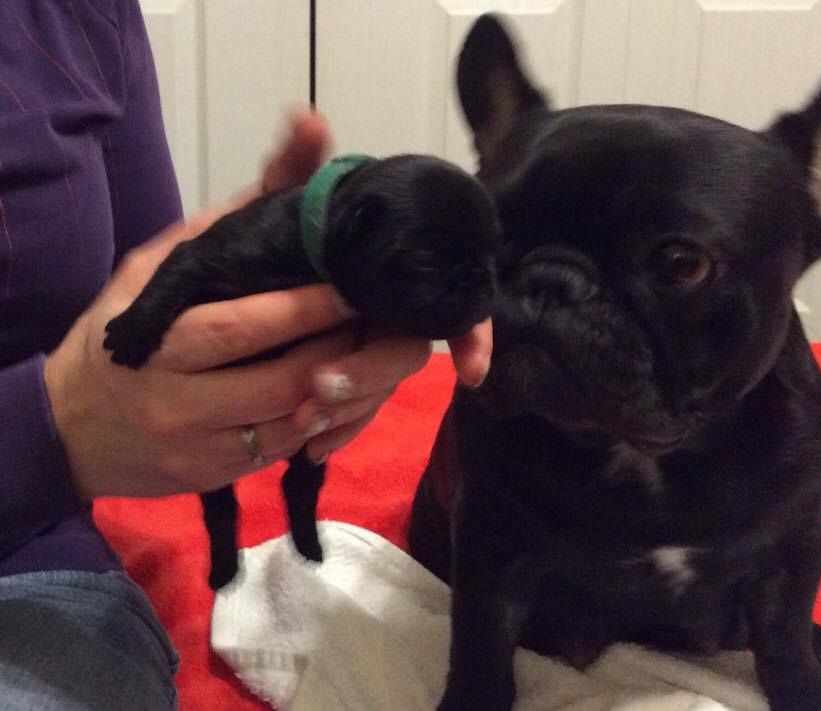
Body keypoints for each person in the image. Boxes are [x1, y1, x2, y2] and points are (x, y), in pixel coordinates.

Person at [0, 2, 491, 709]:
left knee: (297, 462)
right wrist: (56, 429)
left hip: (29, 564)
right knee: (236, 495)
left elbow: (158, 265)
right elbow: (158, 300)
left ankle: (287, 532)